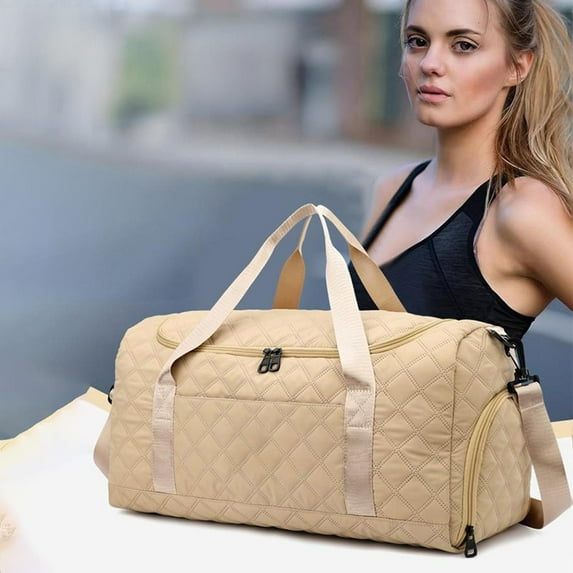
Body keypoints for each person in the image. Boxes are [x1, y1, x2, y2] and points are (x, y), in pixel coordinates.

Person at [353, 0, 573, 340]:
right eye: (417, 41)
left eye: (464, 46)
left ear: (517, 67)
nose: (430, 64)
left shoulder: (522, 208)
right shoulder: (392, 188)